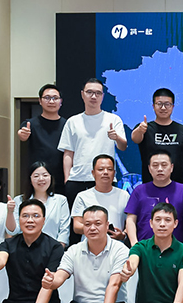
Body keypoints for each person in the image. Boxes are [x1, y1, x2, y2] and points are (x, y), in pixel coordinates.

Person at [58, 78, 127, 209]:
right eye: (89, 92)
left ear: (103, 96)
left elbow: (123, 146)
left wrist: (116, 137)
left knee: (107, 218)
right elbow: (68, 152)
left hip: (105, 179)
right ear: (82, 94)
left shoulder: (113, 119)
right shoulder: (73, 121)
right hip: (77, 179)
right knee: (78, 219)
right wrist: (67, 179)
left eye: (98, 93)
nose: (93, 96)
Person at [124, 151, 183, 244]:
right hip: (145, 248)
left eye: (164, 165)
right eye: (155, 165)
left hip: (176, 249)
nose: (159, 169)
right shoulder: (139, 190)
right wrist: (135, 245)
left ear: (171, 167)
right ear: (149, 168)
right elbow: (130, 220)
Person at [131, 87, 183, 185]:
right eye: (159, 104)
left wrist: (174, 173)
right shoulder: (145, 128)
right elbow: (135, 139)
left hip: (177, 185)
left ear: (173, 106)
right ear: (153, 106)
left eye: (167, 104)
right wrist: (140, 130)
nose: (163, 108)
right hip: (150, 185)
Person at [17, 83, 67, 193]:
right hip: (38, 180)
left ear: (61, 101)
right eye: (47, 98)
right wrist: (22, 134)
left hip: (61, 180)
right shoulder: (30, 124)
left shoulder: (68, 125)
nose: (51, 101)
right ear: (40, 101)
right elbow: (22, 134)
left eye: (55, 98)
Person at [7, 161, 70, 246]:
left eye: (45, 175)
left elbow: (64, 230)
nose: (41, 179)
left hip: (52, 248)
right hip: (25, 248)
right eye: (36, 176)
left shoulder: (61, 200)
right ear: (30, 179)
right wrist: (10, 212)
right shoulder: (19, 200)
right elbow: (13, 231)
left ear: (51, 178)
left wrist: (57, 250)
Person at [71, 154, 130, 242]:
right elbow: (77, 226)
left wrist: (123, 234)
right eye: (101, 169)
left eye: (109, 169)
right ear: (93, 173)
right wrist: (99, 230)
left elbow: (130, 222)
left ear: (114, 173)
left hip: (116, 246)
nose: (105, 172)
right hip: (89, 246)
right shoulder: (82, 196)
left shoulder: (124, 195)